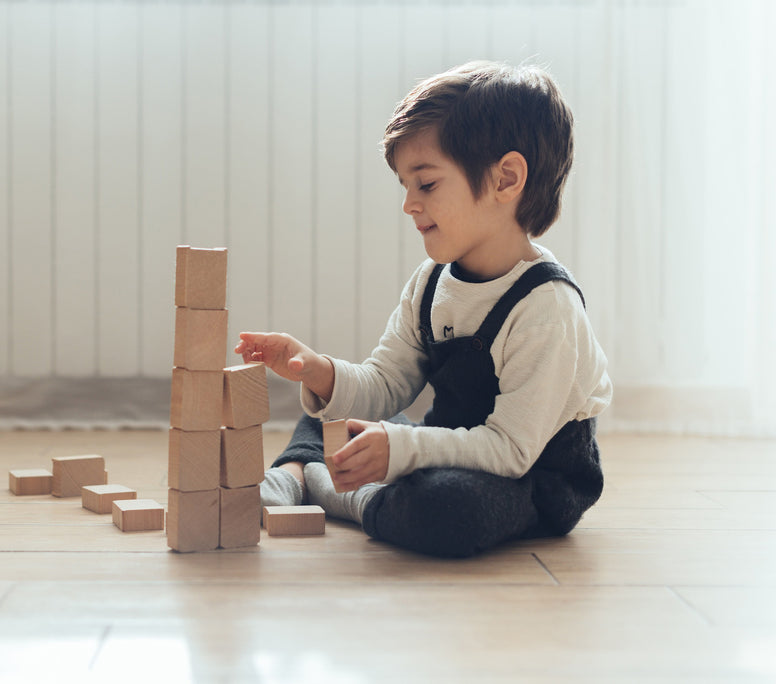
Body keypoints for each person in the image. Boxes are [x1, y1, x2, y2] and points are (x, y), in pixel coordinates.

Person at [234, 61, 612, 558]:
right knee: (336, 416)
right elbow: (385, 386)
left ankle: (335, 491)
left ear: (506, 178)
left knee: (451, 509)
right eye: (406, 187)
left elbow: (510, 451)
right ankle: (294, 473)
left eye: (427, 184)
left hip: (529, 479)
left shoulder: (547, 308)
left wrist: (401, 450)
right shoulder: (432, 283)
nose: (409, 204)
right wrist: (320, 373)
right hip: (447, 447)